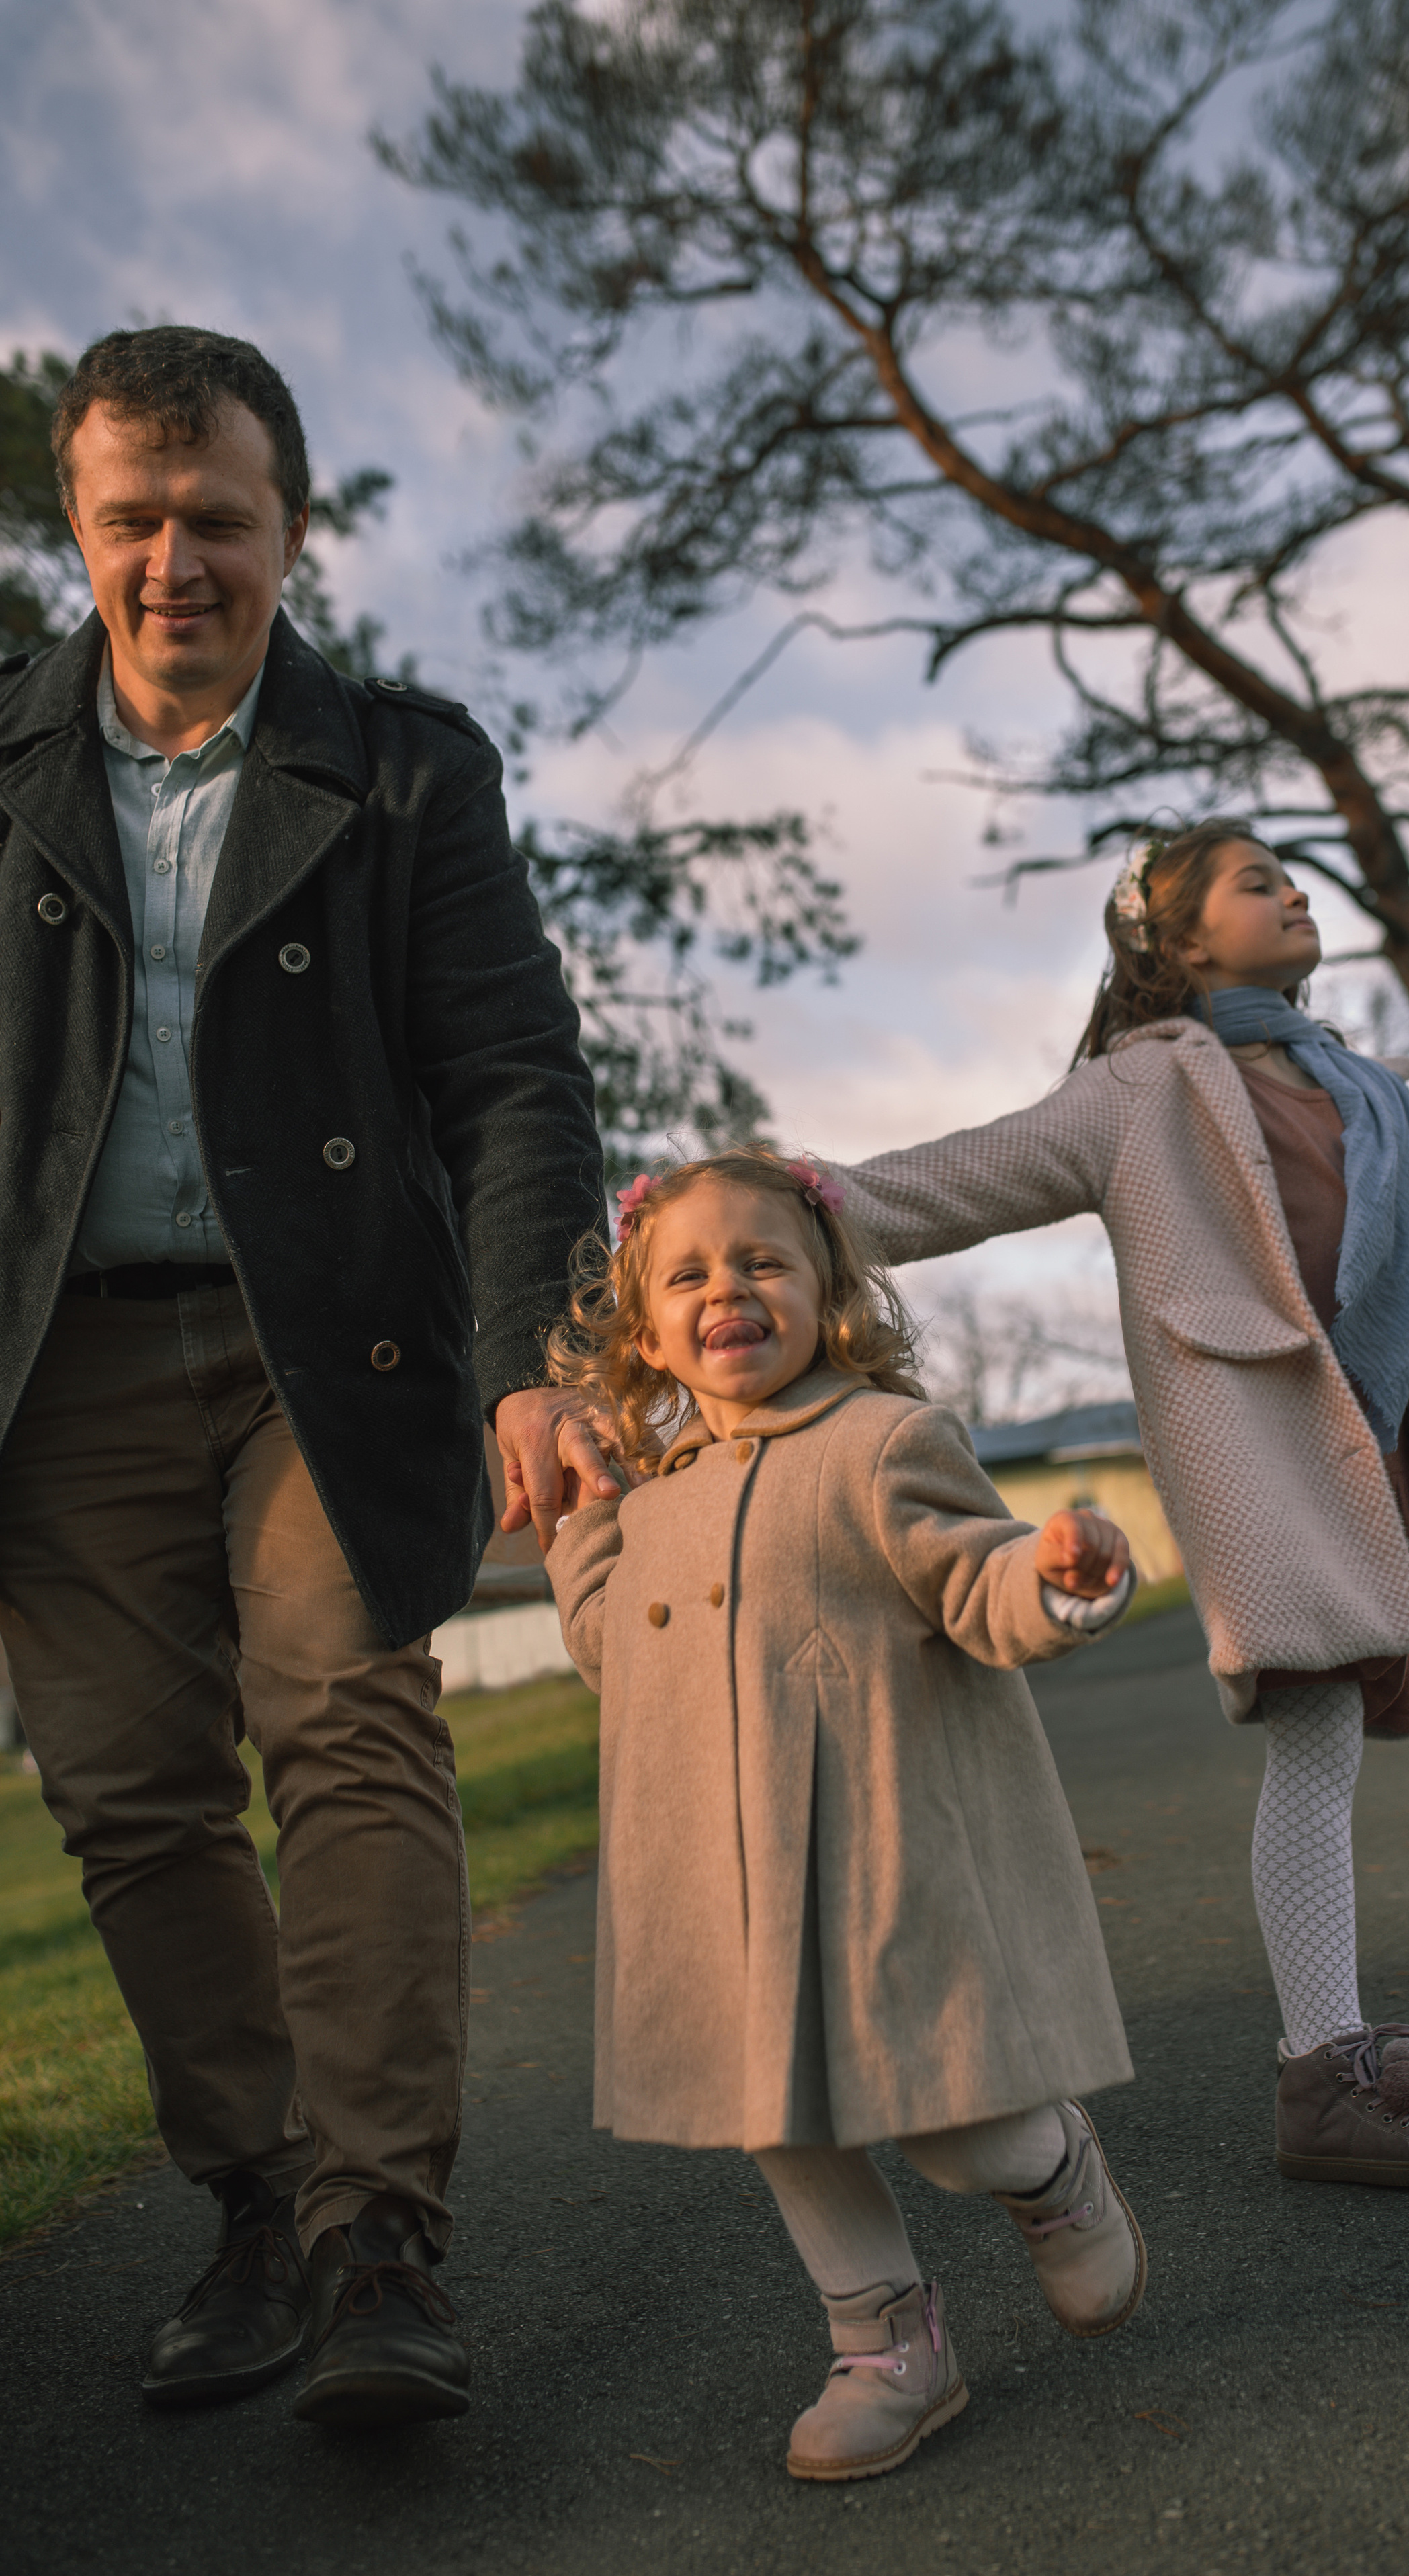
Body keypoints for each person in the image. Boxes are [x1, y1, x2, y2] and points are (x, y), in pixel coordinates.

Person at [0, 326, 610, 2425]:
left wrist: (537, 1353)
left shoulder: (410, 766)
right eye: (130, 520)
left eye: (218, 521)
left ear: (293, 527)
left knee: (349, 1731)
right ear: (76, 527)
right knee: (126, 1793)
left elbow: (515, 1077)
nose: (175, 562)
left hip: (322, 1345)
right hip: (55, 1360)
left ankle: (376, 2237)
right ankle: (252, 2201)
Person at [809, 822, 1409, 2188]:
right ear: (1177, 941)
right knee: (1310, 1730)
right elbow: (953, 1177)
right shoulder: (1135, 1095)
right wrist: (781, 1202)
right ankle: (1323, 2070)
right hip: (1273, 1461)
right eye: (1259, 882)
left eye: (1291, 877)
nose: (1295, 891)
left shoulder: (1372, 1090)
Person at [544, 1148, 1145, 2482]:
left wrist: (1051, 1577)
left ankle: (1048, 2170)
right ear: (646, 1334)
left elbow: (972, 1581)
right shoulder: (658, 1499)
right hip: (717, 1885)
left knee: (949, 2121)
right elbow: (612, 1658)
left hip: (875, 1862)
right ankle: (886, 2343)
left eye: (762, 1261)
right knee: (772, 2116)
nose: (727, 1289)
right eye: (688, 1273)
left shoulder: (882, 1443)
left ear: (827, 1292)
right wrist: (586, 1526)